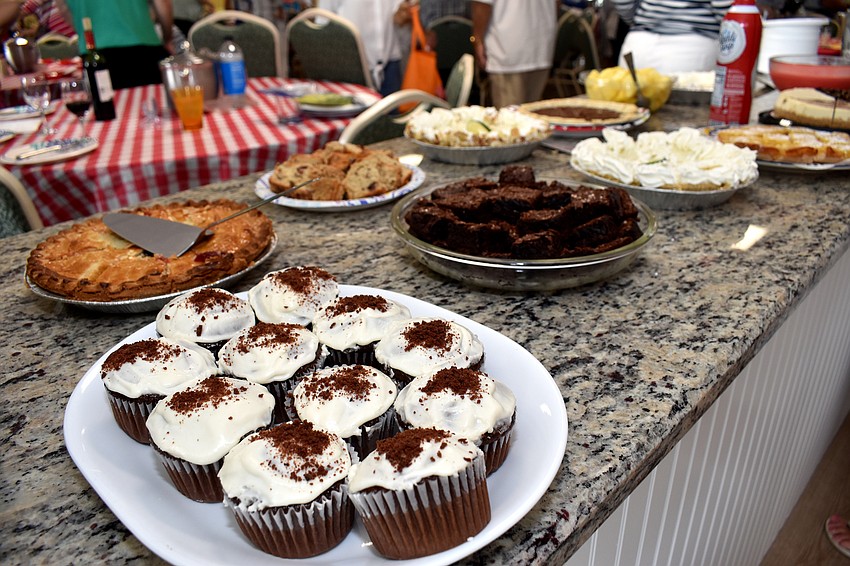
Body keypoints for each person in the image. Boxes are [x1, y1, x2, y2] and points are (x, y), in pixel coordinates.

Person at [55, 0, 174, 89]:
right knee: (154, 107)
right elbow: (162, 3)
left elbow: (63, 8)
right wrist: (167, 37)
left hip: (95, 52)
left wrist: (87, 33)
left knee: (105, 110)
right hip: (143, 45)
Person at [470, 0, 558, 108]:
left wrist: (477, 39)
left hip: (507, 50)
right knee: (532, 115)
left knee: (509, 118)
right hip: (541, 45)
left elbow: (482, 5)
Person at [611, 0, 733, 73]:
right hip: (692, 49)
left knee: (631, 113)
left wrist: (641, 20)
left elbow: (623, 2)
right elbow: (732, 12)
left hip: (638, 45)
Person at [319, 0, 407, 96]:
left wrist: (404, 12)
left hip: (389, 60)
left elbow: (398, 15)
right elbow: (322, 21)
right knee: (355, 110)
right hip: (351, 64)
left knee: (391, 109)